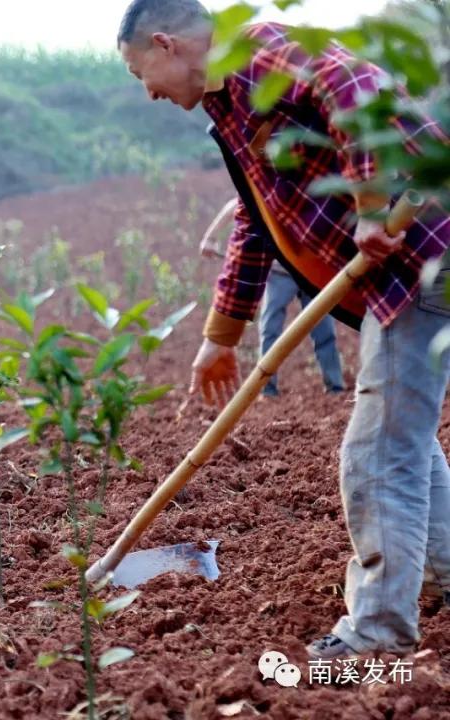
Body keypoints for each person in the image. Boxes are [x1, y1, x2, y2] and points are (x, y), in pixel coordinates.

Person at [118, 0, 450, 659]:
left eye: (141, 74)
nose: (149, 92)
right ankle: (440, 577)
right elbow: (255, 222)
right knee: (403, 436)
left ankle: (378, 634)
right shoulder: (230, 105)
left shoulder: (259, 50)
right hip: (401, 277)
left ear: (167, 44)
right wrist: (222, 333)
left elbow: (357, 88)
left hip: (423, 253)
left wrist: (370, 202)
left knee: (379, 449)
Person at [200, 197, 345, 396]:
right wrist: (209, 238)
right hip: (279, 273)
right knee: (270, 329)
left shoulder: (310, 191)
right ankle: (267, 388)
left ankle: (335, 386)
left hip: (314, 271)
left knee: (324, 330)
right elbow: (238, 204)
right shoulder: (270, 191)